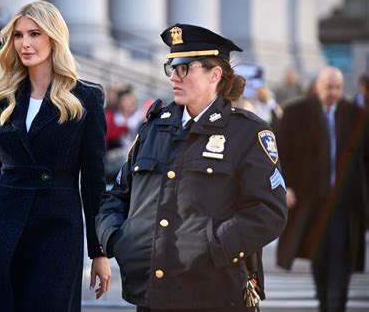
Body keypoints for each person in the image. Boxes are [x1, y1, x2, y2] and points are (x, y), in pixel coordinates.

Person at [96, 23, 288, 312]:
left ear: (215, 74)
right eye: (171, 66)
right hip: (152, 294)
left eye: (185, 68)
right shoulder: (154, 128)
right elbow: (117, 196)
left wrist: (212, 247)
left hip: (215, 292)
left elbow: (268, 211)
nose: (174, 76)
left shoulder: (247, 133)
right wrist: (118, 240)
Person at [0, 1, 111, 311]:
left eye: (35, 34)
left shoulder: (85, 98)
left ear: (54, 37)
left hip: (56, 229)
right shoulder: (2, 97)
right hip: (1, 226)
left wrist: (98, 251)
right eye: (18, 35)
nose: (25, 43)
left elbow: (94, 179)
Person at [276, 66, 368, 312]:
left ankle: (335, 305)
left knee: (341, 260)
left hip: (344, 205)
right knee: (320, 260)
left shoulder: (355, 116)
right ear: (317, 87)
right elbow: (279, 155)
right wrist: (286, 186)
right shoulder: (296, 114)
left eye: (337, 88)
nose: (333, 92)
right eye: (328, 87)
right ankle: (325, 300)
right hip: (311, 204)